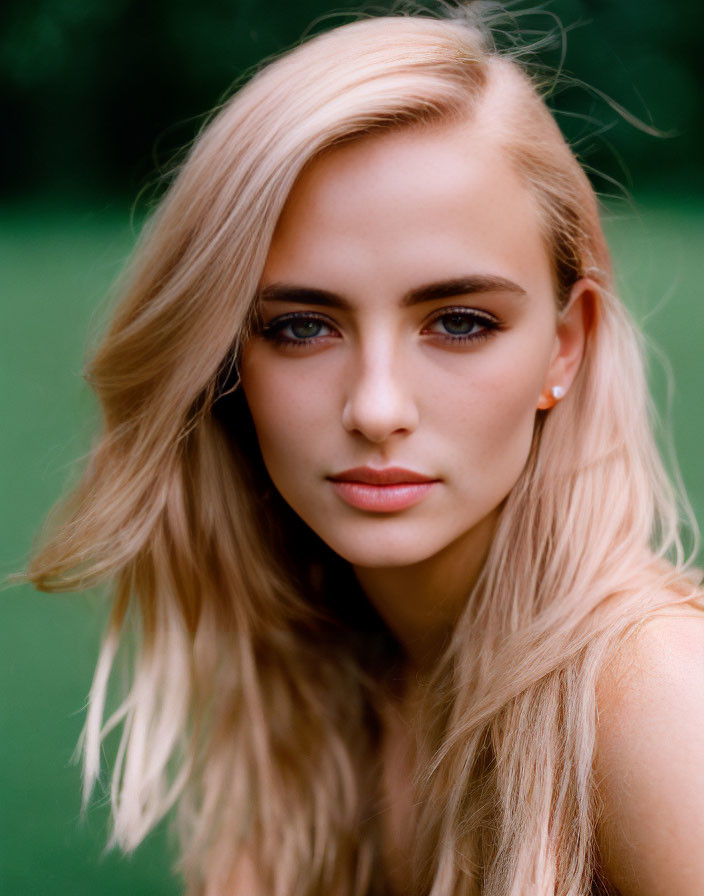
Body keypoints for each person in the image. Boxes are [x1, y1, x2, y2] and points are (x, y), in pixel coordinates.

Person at [25, 5, 704, 895]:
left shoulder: (651, 696)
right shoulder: (316, 692)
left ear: (564, 347)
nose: (377, 408)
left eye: (460, 323)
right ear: (227, 359)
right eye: (303, 326)